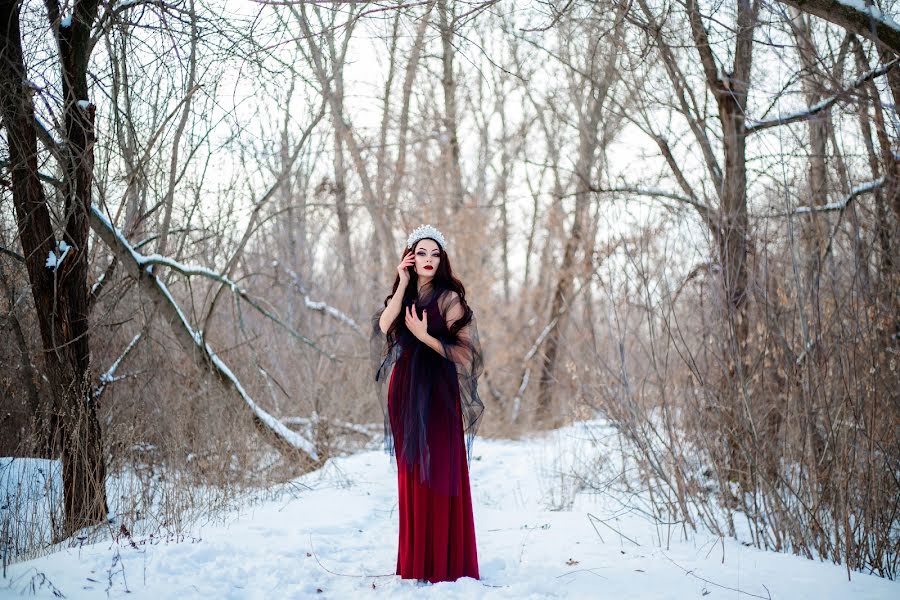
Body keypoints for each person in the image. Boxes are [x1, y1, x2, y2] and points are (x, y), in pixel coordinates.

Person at [370, 224, 484, 584]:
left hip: (437, 394)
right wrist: (402, 283)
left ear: (442, 259)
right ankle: (416, 562)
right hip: (404, 392)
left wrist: (425, 336)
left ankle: (446, 562)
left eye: (435, 254)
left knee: (440, 470)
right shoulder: (403, 295)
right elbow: (384, 325)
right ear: (410, 257)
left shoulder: (450, 298)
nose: (429, 259)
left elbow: (464, 354)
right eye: (422, 253)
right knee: (412, 473)